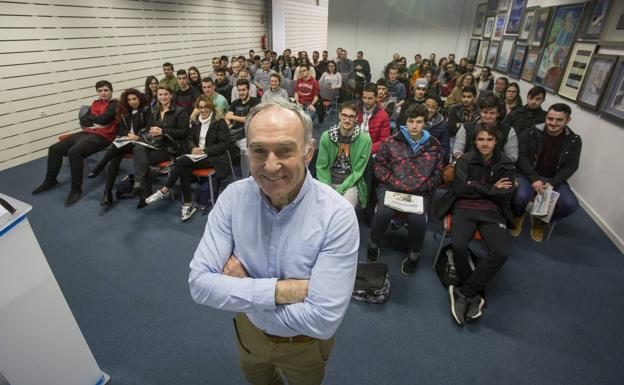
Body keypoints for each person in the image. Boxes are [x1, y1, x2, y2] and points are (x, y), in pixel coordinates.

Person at [188, 99, 359, 385]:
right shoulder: (232, 199)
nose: (270, 165)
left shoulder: (336, 216)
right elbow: (199, 285)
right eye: (258, 151)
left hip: (303, 345)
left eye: (284, 150)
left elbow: (323, 319)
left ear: (308, 151)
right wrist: (284, 290)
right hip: (249, 334)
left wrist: (241, 287)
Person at [436, 124, 516, 326]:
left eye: (489, 139)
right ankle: (475, 290)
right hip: (464, 208)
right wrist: (490, 188)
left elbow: (505, 193)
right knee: (459, 246)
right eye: (481, 139)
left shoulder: (506, 163)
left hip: (492, 211)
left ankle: (466, 292)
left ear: (496, 141)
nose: (485, 143)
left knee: (501, 253)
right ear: (475, 141)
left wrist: (475, 186)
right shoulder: (465, 159)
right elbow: (461, 189)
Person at [368, 104, 444, 273]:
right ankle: (372, 244)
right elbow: (378, 166)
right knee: (383, 212)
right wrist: (392, 180)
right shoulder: (391, 141)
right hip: (391, 186)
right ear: (405, 122)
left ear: (426, 123)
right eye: (411, 121)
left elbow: (439, 174)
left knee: (417, 220)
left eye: (419, 122)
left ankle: (414, 255)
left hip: (419, 192)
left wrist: (423, 186)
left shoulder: (434, 146)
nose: (414, 126)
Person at [33, 80, 119, 206]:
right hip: (88, 133)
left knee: (74, 153)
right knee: (54, 149)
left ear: (111, 90)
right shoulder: (95, 103)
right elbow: (83, 120)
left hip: (105, 136)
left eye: (106, 90)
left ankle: (76, 190)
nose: (103, 93)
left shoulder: (116, 104)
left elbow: (103, 118)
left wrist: (95, 119)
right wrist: (96, 121)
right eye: (100, 91)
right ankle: (50, 180)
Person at [145, 96, 231, 221]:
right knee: (184, 168)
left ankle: (165, 189)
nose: (203, 110)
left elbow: (224, 144)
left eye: (206, 107)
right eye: (200, 107)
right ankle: (188, 204)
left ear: (211, 107)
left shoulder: (219, 122)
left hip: (215, 157)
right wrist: (193, 149)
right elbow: (190, 138)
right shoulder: (196, 122)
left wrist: (204, 150)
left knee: (182, 161)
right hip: (197, 155)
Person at [511, 103, 581, 241]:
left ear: (568, 120)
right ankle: (518, 215)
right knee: (520, 197)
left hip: (554, 179)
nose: (553, 123)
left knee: (570, 205)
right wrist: (533, 179)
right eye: (550, 118)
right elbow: (521, 158)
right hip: (528, 175)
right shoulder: (529, 132)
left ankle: (542, 220)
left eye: (559, 120)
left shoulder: (574, 140)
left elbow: (571, 166)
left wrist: (552, 183)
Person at [87, 88, 148, 207]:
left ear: (139, 99)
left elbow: (149, 128)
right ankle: (107, 193)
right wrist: (128, 134)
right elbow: (120, 129)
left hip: (140, 143)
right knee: (114, 162)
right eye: (129, 100)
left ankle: (100, 166)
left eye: (134, 99)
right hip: (126, 142)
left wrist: (136, 136)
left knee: (115, 149)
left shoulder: (146, 111)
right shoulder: (125, 112)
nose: (132, 102)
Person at [134, 85, 190, 208]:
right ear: (157, 96)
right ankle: (142, 188)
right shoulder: (154, 110)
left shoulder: (180, 111)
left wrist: (163, 131)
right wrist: (152, 131)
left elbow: (184, 132)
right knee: (138, 149)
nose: (163, 97)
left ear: (171, 95)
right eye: (160, 95)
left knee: (141, 159)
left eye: (165, 94)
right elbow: (150, 127)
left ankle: (142, 189)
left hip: (171, 148)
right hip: (156, 144)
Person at [316, 101, 372, 208]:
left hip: (350, 183)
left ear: (356, 119)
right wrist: (328, 190)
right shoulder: (326, 136)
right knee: (321, 209)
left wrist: (340, 190)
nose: (347, 120)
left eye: (351, 117)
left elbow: (357, 172)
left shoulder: (365, 140)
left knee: (345, 209)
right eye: (344, 115)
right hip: (327, 181)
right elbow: (322, 166)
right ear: (339, 115)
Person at [453, 94, 518, 162]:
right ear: (480, 112)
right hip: (468, 167)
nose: (487, 116)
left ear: (498, 114)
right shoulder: (465, 128)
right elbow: (457, 151)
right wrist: (466, 163)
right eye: (485, 112)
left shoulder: (508, 131)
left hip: (497, 169)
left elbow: (512, 157)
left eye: (492, 113)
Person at [226, 79, 260, 177]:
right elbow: (227, 117)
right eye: (239, 90)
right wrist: (229, 123)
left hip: (248, 133)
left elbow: (249, 119)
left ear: (248, 90)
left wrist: (232, 117)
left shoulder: (255, 101)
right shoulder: (235, 102)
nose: (241, 92)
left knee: (245, 151)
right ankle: (226, 177)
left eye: (243, 90)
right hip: (234, 133)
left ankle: (246, 177)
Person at [357, 83, 391, 155]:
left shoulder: (384, 116)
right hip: (355, 147)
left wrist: (367, 150)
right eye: (364, 97)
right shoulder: (355, 111)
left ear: (376, 98)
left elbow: (384, 140)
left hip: (371, 151)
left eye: (370, 98)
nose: (366, 101)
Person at [423, 94, 450, 163]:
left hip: (432, 158)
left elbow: (445, 148)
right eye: (427, 106)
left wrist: (434, 157)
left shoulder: (443, 125)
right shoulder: (415, 119)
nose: (429, 110)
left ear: (438, 109)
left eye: (433, 107)